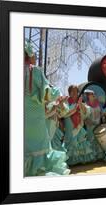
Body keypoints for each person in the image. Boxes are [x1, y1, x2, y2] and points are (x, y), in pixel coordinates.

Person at [24, 41, 70, 176]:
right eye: (34, 56)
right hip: (36, 124)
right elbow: (48, 93)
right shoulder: (34, 71)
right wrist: (59, 97)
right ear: (30, 56)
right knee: (40, 158)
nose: (35, 58)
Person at [63, 85, 95, 166]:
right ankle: (72, 160)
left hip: (79, 125)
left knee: (80, 141)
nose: (74, 93)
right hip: (69, 124)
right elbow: (63, 113)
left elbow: (86, 112)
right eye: (72, 91)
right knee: (71, 141)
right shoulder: (66, 102)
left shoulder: (80, 102)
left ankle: (81, 159)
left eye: (76, 91)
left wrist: (80, 104)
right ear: (69, 93)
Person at [84, 89, 105, 160]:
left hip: (98, 125)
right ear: (88, 96)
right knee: (91, 140)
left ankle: (99, 156)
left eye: (93, 94)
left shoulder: (98, 104)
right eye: (91, 94)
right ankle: (92, 157)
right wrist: (86, 120)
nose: (93, 95)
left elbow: (102, 113)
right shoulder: (86, 105)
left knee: (98, 140)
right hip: (90, 126)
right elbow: (84, 116)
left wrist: (103, 117)